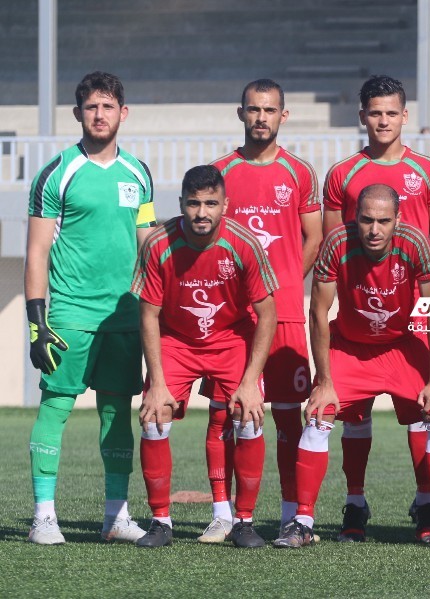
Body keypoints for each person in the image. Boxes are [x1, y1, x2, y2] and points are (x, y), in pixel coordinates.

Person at [277, 184, 430, 549]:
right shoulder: (336, 243)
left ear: (398, 220)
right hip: (350, 346)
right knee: (319, 414)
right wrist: (324, 380)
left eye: (383, 221)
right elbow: (318, 311)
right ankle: (304, 521)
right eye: (366, 220)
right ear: (355, 218)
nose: (374, 229)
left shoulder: (417, 244)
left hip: (402, 344)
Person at [24, 71, 155, 545]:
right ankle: (43, 517)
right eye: (91, 106)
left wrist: (157, 311)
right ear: (78, 113)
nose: (100, 115)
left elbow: (148, 245)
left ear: (124, 112)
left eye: (108, 106)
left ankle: (116, 516)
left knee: (117, 413)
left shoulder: (139, 173)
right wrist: (37, 323)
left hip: (124, 316)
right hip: (71, 314)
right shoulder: (57, 172)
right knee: (55, 406)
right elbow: (37, 251)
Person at [322, 75, 430, 541]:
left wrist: (405, 280)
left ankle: (426, 501)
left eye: (391, 112)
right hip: (359, 312)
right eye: (375, 112)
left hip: (411, 310)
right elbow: (335, 243)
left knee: (421, 410)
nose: (383, 120)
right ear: (362, 116)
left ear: (404, 116)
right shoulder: (342, 174)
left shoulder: (429, 171)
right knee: (353, 415)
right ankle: (355, 502)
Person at [198, 79, 322, 544]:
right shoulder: (220, 172)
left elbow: (314, 237)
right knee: (225, 415)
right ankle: (222, 513)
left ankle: (291, 514)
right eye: (254, 109)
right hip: (232, 318)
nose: (261, 118)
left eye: (270, 110)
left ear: (283, 115)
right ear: (241, 113)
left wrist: (282, 283)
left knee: (289, 416)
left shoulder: (299, 172)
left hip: (284, 313)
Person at [131, 165, 278, 548]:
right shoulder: (159, 243)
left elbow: (267, 314)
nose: (201, 212)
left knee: (248, 415)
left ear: (225, 205)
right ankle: (160, 522)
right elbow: (148, 314)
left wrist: (251, 381)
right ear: (181, 203)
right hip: (176, 341)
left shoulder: (244, 243)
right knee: (154, 417)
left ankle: (243, 521)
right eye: (194, 203)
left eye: (211, 203)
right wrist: (157, 383)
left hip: (230, 339)